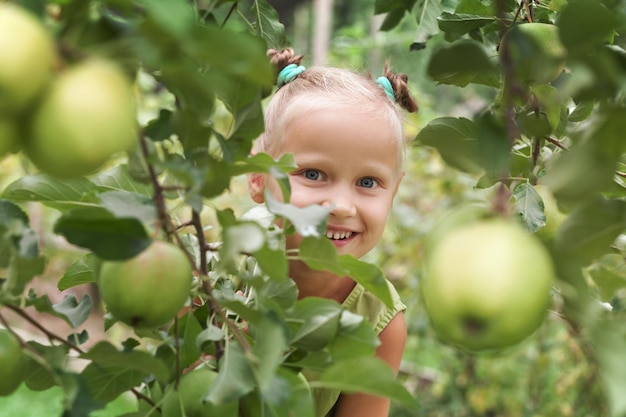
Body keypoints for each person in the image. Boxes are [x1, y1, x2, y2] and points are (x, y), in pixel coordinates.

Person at [247, 47, 418, 417]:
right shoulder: (224, 265)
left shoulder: (379, 323)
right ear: (258, 177)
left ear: (395, 191)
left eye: (368, 181)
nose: (342, 205)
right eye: (312, 174)